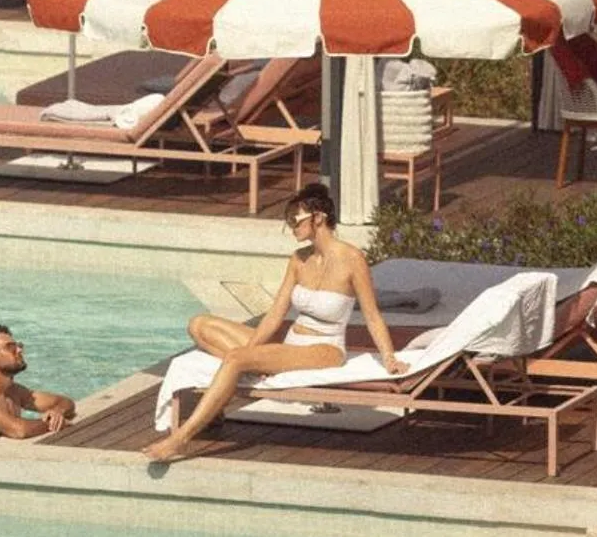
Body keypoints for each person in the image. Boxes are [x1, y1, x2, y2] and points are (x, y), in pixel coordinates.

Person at [142, 182, 405, 463]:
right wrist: (253, 354)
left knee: (234, 361)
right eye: (288, 220)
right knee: (198, 324)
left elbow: (372, 315)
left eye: (296, 220)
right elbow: (274, 314)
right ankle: (252, 368)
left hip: (324, 349)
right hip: (292, 342)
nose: (291, 226)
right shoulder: (298, 259)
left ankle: (181, 438)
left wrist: (389, 358)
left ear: (319, 217)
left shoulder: (352, 259)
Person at [0, 324, 76, 505]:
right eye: (10, 347)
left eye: (18, 345)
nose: (19, 350)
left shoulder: (15, 392)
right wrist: (55, 424)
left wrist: (57, 413)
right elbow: (17, 430)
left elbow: (66, 402)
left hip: (3, 493)